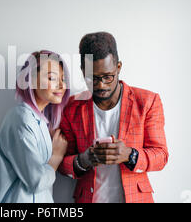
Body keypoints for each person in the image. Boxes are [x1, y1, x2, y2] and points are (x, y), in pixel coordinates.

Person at [58, 32, 169, 203]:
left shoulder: (147, 102)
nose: (101, 85)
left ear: (118, 67)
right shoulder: (72, 107)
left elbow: (161, 156)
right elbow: (61, 164)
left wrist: (129, 155)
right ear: (82, 71)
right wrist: (84, 160)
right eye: (92, 78)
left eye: (107, 77)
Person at [0, 50, 70, 203]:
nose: (61, 85)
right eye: (52, 78)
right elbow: (36, 181)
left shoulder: (40, 122)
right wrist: (56, 157)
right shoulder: (21, 119)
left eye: (63, 79)